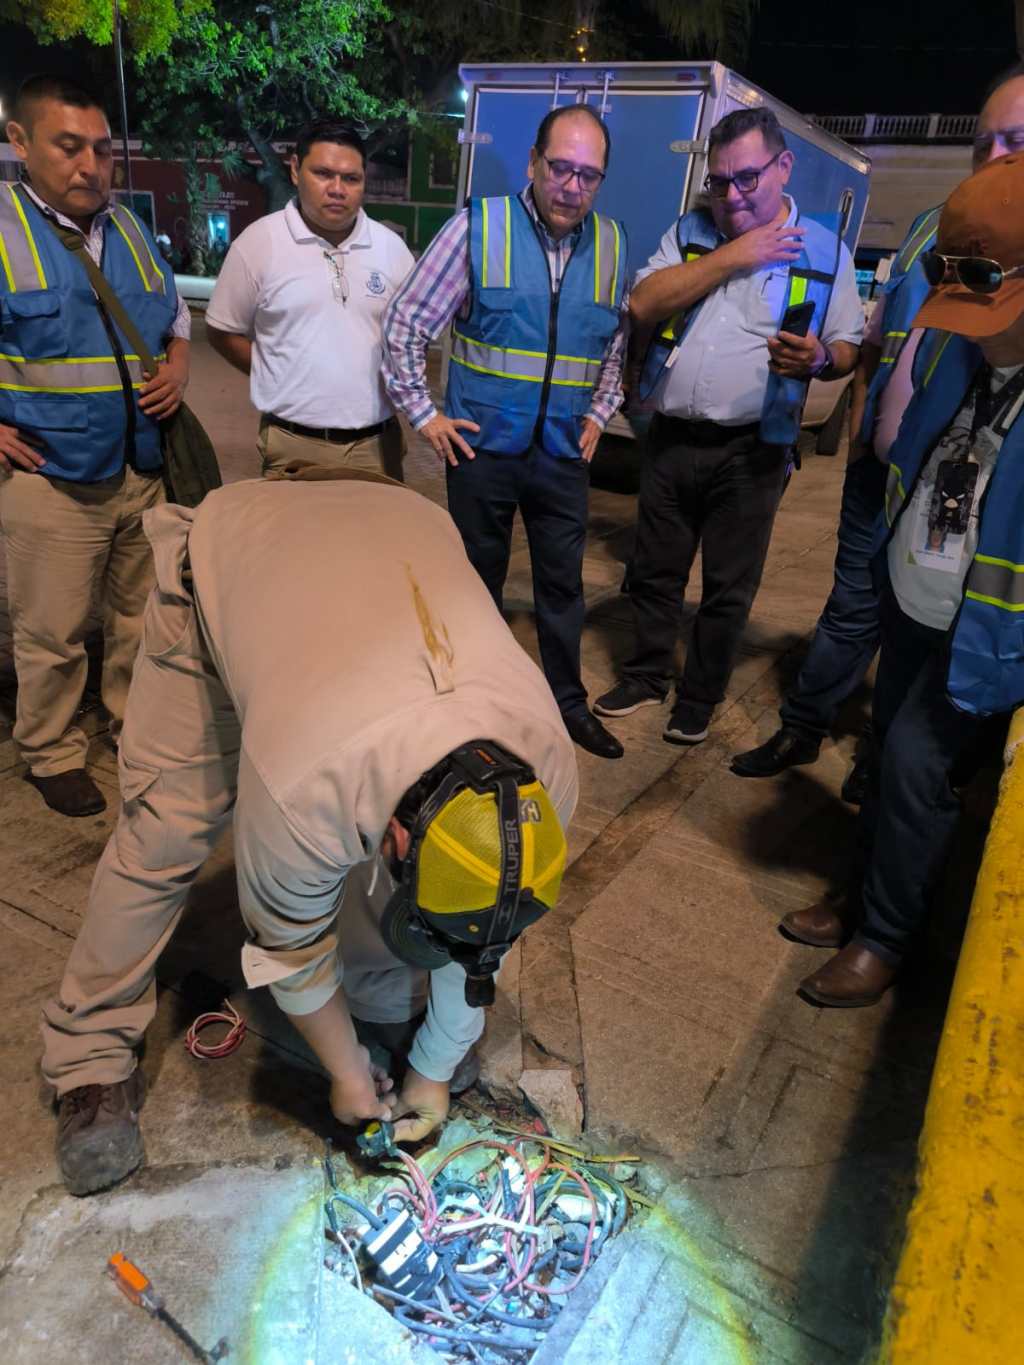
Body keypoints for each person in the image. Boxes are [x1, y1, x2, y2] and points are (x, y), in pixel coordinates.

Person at [41, 465, 578, 1196]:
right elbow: (287, 949)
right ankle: (89, 1054)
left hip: (389, 526)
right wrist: (348, 1077)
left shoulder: (549, 776)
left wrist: (434, 1064)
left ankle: (393, 1009)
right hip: (240, 557)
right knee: (165, 831)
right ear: (393, 836)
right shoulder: (304, 786)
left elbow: (485, 927)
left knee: (410, 939)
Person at [731, 68, 1024, 797]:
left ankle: (879, 774)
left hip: (961, 506)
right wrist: (839, 373)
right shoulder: (932, 228)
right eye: (984, 142)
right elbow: (875, 344)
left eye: (1015, 142)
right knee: (852, 610)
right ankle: (806, 727)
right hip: (883, 477)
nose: (993, 158)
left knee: (926, 653)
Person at [780, 153, 1024, 1006]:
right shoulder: (965, 356)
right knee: (886, 760)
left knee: (920, 772)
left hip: (985, 634)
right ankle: (860, 900)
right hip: (914, 604)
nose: (975, 325)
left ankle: (887, 937)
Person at [594, 107, 862, 748]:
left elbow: (848, 345)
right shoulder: (692, 231)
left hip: (754, 449)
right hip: (672, 438)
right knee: (654, 571)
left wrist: (821, 359)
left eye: (747, 179)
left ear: (783, 167)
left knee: (727, 587)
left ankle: (699, 697)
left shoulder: (826, 251)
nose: (732, 196)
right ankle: (646, 674)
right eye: (719, 182)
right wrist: (736, 253)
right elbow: (643, 302)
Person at [383, 105, 629, 760]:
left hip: (561, 457)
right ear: (533, 163)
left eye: (588, 175)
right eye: (561, 168)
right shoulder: (478, 227)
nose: (572, 187)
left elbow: (614, 348)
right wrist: (424, 413)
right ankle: (473, 712)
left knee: (562, 589)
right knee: (474, 587)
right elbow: (405, 325)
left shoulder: (612, 244)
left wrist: (602, 412)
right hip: (480, 450)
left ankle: (566, 705)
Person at [0, 75, 190, 818]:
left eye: (101, 149)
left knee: (143, 622)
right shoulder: (5, 232)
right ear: (20, 143)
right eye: (68, 146)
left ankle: (129, 725)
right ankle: (48, 750)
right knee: (50, 632)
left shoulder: (132, 230)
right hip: (51, 478)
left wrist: (176, 368)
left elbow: (174, 319)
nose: (90, 165)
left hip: (139, 471)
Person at [206, 121, 413, 480]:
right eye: (323, 174)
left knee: (375, 538)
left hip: (377, 447)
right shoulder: (257, 245)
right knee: (292, 538)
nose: (337, 189)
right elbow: (222, 331)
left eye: (351, 178)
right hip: (293, 445)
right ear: (295, 170)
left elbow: (412, 336)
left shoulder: (391, 249)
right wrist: (275, 371)